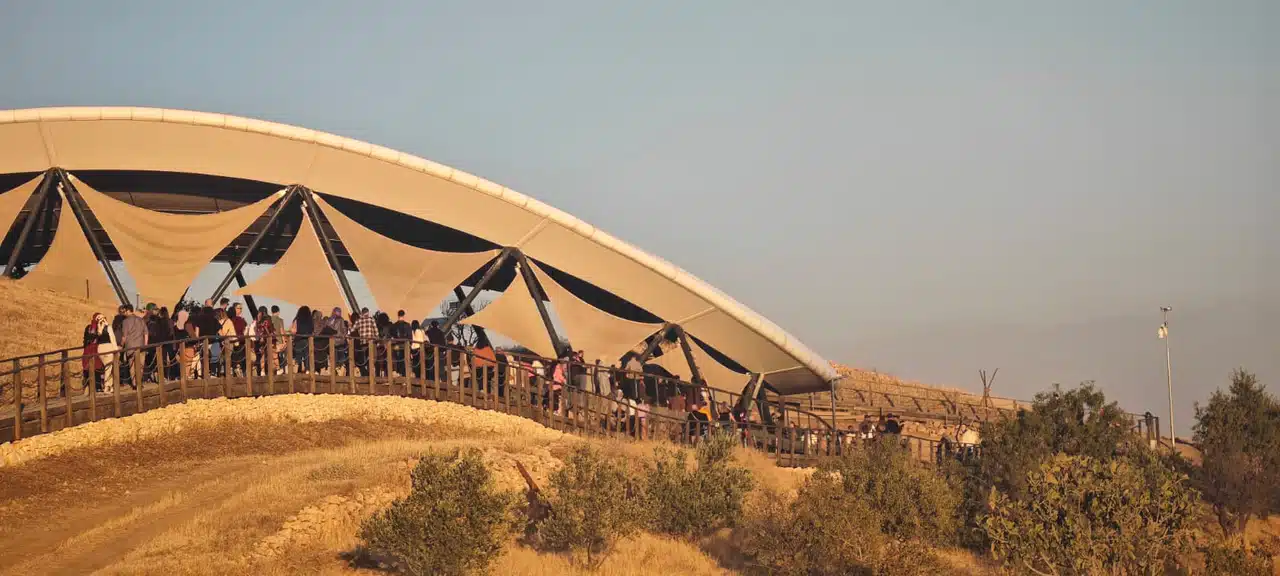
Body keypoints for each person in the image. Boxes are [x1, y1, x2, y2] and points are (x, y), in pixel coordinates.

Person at [82, 313, 116, 393]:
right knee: (105, 368)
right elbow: (112, 338)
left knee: (99, 369)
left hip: (96, 350)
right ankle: (105, 387)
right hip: (94, 350)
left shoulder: (95, 327)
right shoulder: (97, 327)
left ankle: (97, 387)